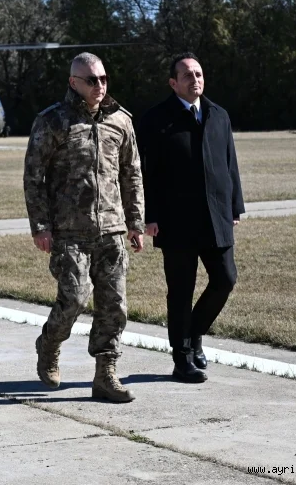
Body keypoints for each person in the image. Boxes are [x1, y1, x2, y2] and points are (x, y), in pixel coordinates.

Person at [23, 52, 144, 403]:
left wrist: (135, 221)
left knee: (115, 305)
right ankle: (49, 345)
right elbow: (34, 177)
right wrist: (41, 225)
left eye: (104, 79)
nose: (100, 86)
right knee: (74, 298)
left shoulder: (121, 121)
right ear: (73, 83)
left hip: (112, 228)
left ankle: (105, 374)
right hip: (68, 231)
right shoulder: (52, 121)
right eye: (92, 80)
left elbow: (131, 173)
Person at [136, 52, 245, 383]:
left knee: (225, 279)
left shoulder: (218, 115)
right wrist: (148, 216)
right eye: (187, 75)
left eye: (198, 73)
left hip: (215, 217)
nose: (195, 79)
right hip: (174, 220)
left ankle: (193, 336)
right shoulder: (156, 120)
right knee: (180, 292)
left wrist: (234, 207)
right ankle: (182, 358)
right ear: (173, 83)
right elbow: (145, 173)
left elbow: (230, 164)